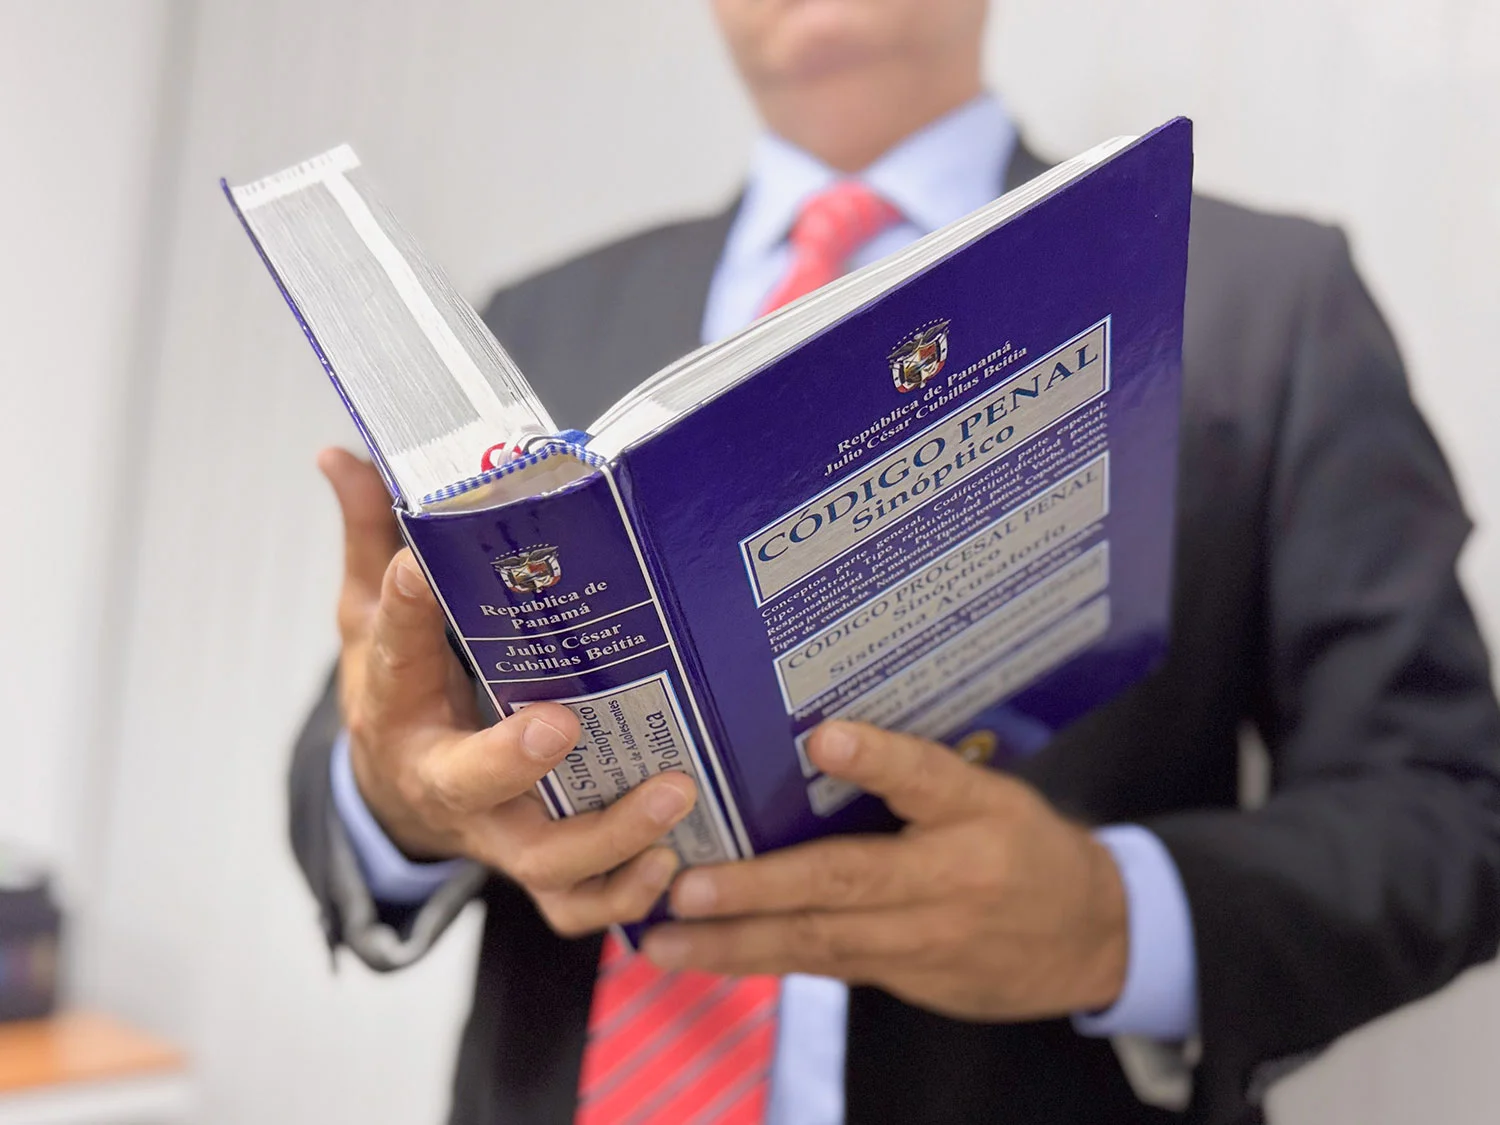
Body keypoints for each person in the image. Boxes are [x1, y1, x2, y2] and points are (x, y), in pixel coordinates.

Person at [289, 1, 1500, 1122]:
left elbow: (1451, 811)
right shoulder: (528, 334)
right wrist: (396, 795)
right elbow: (368, 749)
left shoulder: (1262, 300)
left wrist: (1116, 920)